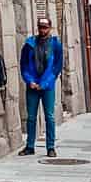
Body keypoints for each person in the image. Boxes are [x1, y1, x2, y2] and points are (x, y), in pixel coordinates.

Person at [18, 17, 63, 157]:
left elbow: (56, 67)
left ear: (50, 28)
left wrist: (44, 83)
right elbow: (24, 65)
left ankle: (50, 147)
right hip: (32, 84)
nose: (43, 30)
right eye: (40, 27)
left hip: (47, 86)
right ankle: (30, 146)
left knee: (49, 116)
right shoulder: (29, 44)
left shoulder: (55, 45)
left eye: (45, 27)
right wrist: (29, 81)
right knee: (31, 117)